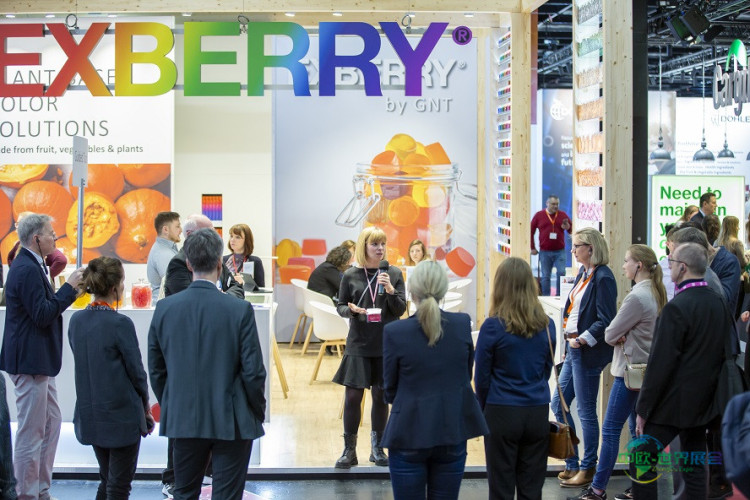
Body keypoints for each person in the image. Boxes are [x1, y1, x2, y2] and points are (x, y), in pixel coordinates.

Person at [148, 228, 266, 500]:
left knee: (184, 492)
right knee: (227, 495)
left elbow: (156, 369)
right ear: (220, 265)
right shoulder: (239, 309)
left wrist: (172, 404)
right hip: (233, 418)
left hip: (184, 416)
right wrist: (256, 410)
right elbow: (253, 371)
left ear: (188, 264)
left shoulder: (165, 308)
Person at [630, 243, 729, 499]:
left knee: (641, 457)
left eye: (671, 261)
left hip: (674, 403)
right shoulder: (718, 302)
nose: (668, 266)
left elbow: (660, 364)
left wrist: (643, 409)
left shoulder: (676, 308)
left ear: (682, 268)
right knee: (694, 463)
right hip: (705, 401)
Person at [382, 261, 487, 499]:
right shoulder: (461, 325)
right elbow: (466, 376)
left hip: (408, 431)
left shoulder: (394, 332)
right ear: (443, 290)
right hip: (451, 429)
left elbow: (390, 390)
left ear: (411, 291)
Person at [569, 245, 666, 500]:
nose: (623, 266)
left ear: (639, 265)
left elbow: (610, 333)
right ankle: (639, 487)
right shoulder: (656, 292)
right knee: (638, 431)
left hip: (629, 374)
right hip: (647, 373)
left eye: (626, 261)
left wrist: (621, 335)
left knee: (612, 429)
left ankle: (598, 489)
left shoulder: (636, 297)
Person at [0, 213, 85, 500]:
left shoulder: (33, 265)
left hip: (38, 360)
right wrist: (69, 288)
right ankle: (26, 493)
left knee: (51, 422)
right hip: (29, 361)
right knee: (31, 431)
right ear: (37, 238)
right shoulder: (26, 268)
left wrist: (66, 291)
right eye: (51, 233)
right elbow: (42, 314)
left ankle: (40, 489)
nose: (55, 238)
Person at [159, 214, 242, 496]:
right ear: (191, 235)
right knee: (184, 444)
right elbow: (194, 301)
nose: (214, 239)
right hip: (188, 366)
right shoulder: (178, 263)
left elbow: (232, 289)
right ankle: (172, 479)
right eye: (208, 232)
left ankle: (196, 475)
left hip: (207, 370)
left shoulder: (216, 262)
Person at [69, 256, 154, 499]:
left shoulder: (76, 321)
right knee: (118, 485)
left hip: (91, 415)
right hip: (121, 417)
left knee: (108, 480)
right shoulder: (120, 324)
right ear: (116, 287)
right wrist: (145, 407)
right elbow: (136, 373)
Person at [474, 257, 555, 500]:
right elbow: (546, 370)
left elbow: (482, 378)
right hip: (537, 411)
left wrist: (483, 409)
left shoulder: (492, 326)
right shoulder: (547, 325)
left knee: (501, 488)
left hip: (501, 410)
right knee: (532, 489)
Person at [333, 226, 406, 469]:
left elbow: (400, 309)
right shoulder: (351, 275)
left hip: (386, 343)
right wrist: (351, 310)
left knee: (381, 396)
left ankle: (378, 448)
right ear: (364, 246)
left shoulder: (393, 273)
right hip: (359, 342)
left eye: (383, 244)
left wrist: (391, 290)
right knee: (353, 396)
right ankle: (349, 450)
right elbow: (340, 305)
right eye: (375, 244)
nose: (380, 248)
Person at [552, 228, 617, 488]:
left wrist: (582, 339)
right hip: (573, 350)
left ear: (591, 248)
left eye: (577, 245)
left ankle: (588, 466)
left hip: (586, 352)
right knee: (559, 404)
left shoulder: (603, 277)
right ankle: (572, 462)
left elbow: (606, 319)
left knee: (585, 410)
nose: (572, 250)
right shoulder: (583, 273)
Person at [7, 212, 67, 290]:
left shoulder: (28, 258)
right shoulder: (27, 264)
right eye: (51, 234)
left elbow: (61, 260)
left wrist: (45, 277)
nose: (55, 238)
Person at [530, 195, 572, 296]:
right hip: (545, 251)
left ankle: (559, 296)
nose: (555, 206)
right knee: (546, 276)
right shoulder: (539, 215)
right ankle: (546, 297)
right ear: (547, 203)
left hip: (560, 251)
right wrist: (532, 247)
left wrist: (568, 227)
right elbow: (531, 231)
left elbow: (571, 230)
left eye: (557, 204)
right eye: (553, 204)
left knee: (561, 273)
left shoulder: (563, 215)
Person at [146, 211, 181, 304]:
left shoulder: (165, 249)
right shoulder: (162, 253)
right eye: (177, 227)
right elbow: (174, 284)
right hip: (167, 305)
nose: (180, 230)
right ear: (165, 229)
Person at [223, 223, 265, 289]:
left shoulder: (255, 261)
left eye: (237, 237)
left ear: (246, 240)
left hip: (246, 295)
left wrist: (245, 282)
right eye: (231, 236)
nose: (232, 240)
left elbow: (261, 289)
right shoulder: (223, 260)